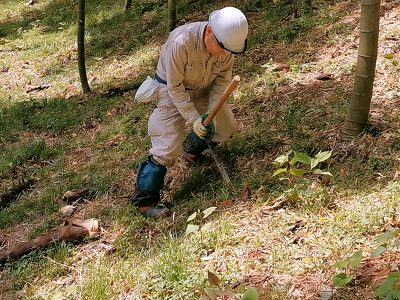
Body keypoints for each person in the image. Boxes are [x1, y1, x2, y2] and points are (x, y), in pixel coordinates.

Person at [131, 7, 249, 218]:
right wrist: (193, 118)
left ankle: (191, 150)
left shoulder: (227, 47)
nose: (225, 53)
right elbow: (174, 87)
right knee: (165, 149)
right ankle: (145, 201)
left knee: (226, 129)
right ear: (210, 32)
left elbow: (222, 82)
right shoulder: (181, 42)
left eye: (229, 50)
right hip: (171, 91)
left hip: (203, 90)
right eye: (222, 48)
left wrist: (210, 113)